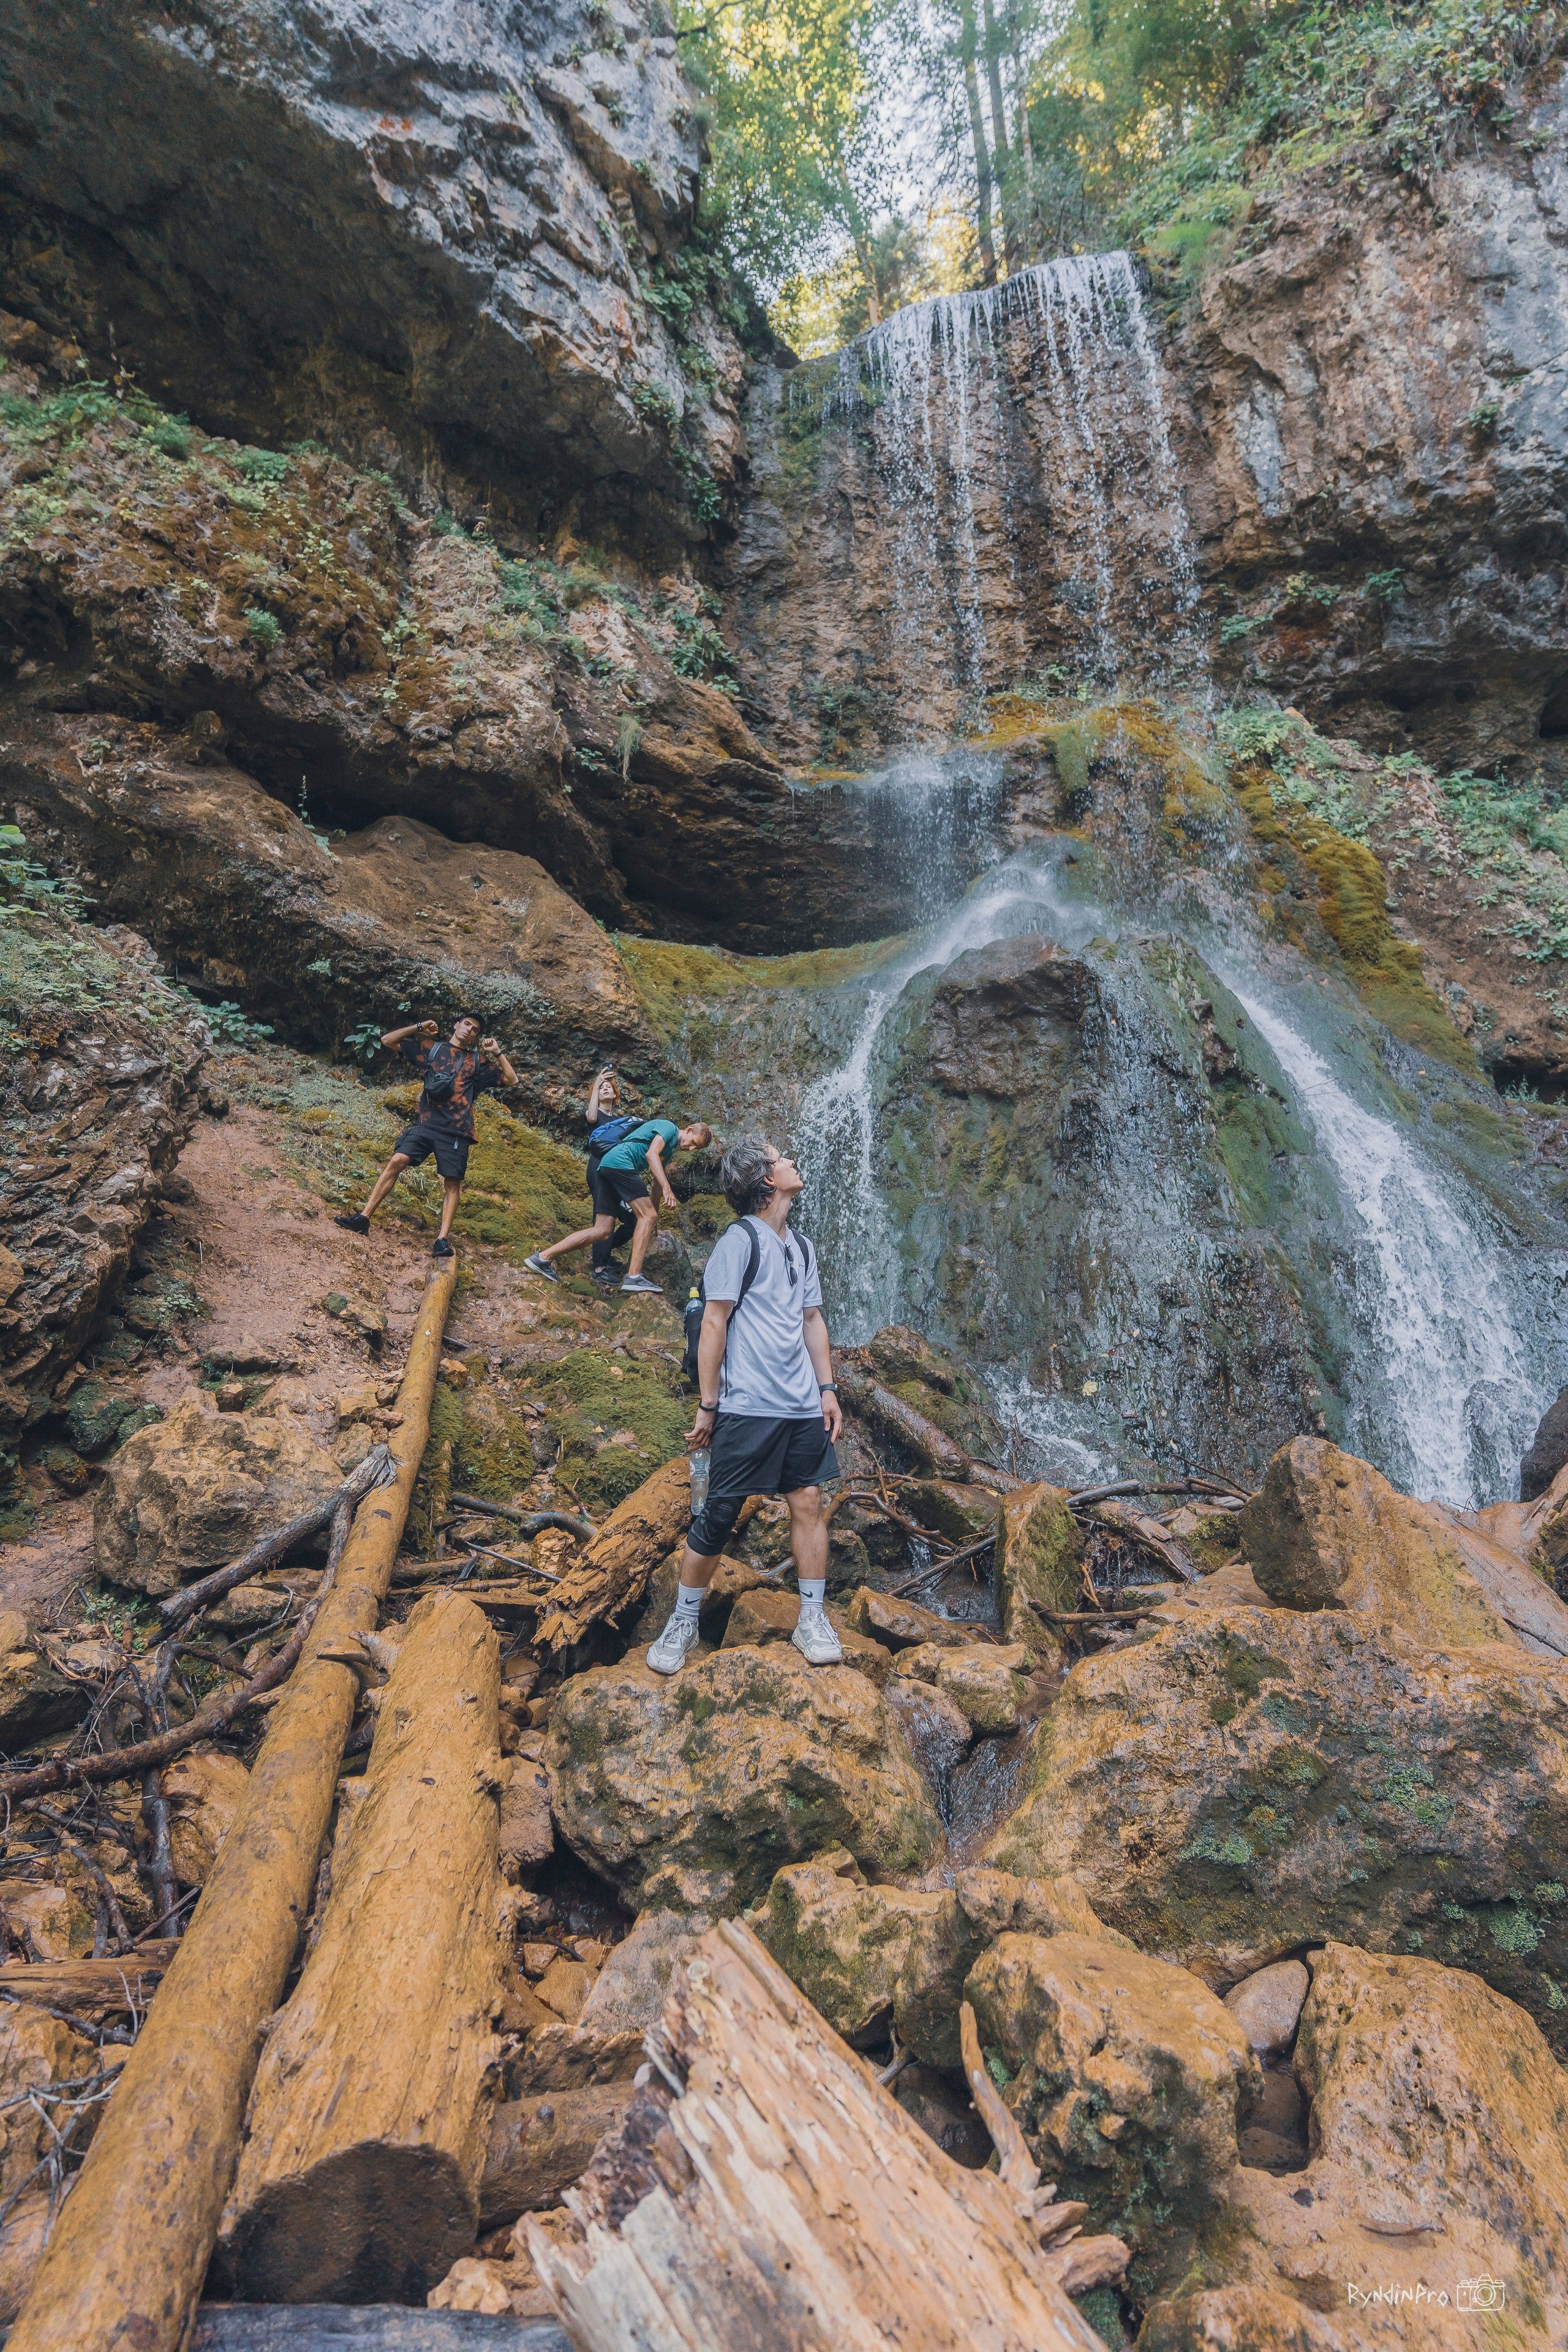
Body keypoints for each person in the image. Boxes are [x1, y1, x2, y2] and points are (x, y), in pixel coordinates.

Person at [646, 1134, 844, 1673]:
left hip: (801, 1406)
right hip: (749, 1405)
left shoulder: (800, 1245)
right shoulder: (739, 1242)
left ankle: (811, 1617)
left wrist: (827, 1390)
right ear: (765, 1180)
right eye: (782, 1159)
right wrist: (709, 1405)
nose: (792, 1161)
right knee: (719, 1513)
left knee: (808, 1502)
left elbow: (812, 1320)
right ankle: (683, 1622)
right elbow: (713, 1322)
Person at [334, 1013, 516, 1259]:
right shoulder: (432, 1049)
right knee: (397, 1160)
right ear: (456, 1025)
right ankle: (363, 1218)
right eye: (466, 1024)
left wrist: (497, 1052)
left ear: (476, 1037)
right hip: (426, 1123)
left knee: (452, 1182)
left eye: (475, 1030)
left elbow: (511, 1079)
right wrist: (419, 1027)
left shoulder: (477, 1061)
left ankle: (442, 1239)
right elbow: (388, 1040)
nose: (469, 1030)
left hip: (456, 1130)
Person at [524, 1111, 711, 1295]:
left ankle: (542, 1258)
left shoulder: (669, 1151)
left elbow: (655, 1184)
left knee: (603, 1231)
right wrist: (667, 1190)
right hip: (621, 1163)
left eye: (697, 1148)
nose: (691, 1148)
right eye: (694, 1142)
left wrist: (653, 1218)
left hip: (607, 1166)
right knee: (646, 1216)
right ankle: (634, 1276)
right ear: (688, 1130)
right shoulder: (668, 1127)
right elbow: (651, 1155)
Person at [582, 1066, 637, 1286]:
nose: (606, 1089)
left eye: (609, 1087)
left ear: (615, 1095)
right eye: (602, 1088)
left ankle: (602, 1251)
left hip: (618, 1169)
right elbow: (592, 1114)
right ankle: (600, 1267)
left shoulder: (623, 1120)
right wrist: (597, 1081)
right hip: (599, 1168)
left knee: (631, 1219)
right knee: (604, 1216)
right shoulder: (594, 1116)